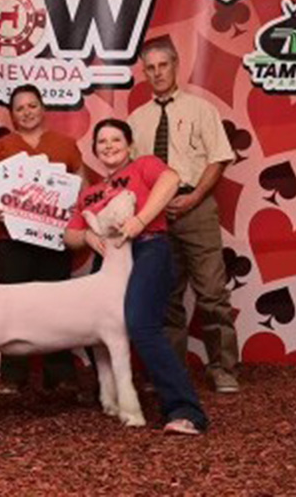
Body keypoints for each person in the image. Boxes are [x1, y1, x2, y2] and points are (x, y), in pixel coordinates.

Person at [64, 118, 208, 435]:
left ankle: (186, 411)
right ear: (95, 150)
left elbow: (171, 179)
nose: (109, 146)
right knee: (89, 324)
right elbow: (69, 236)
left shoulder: (144, 166)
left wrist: (140, 220)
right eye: (102, 142)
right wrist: (87, 236)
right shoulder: (91, 193)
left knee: (141, 323)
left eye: (116, 139)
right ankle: (113, 397)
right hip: (111, 259)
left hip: (148, 247)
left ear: (129, 145)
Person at [126, 38, 240, 393]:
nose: (157, 73)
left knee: (212, 292)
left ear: (176, 66)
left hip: (197, 206)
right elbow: (132, 174)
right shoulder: (136, 120)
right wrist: (150, 209)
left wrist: (194, 198)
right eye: (150, 68)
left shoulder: (201, 110)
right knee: (166, 296)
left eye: (163, 65)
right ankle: (170, 372)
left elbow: (218, 158)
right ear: (144, 73)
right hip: (156, 214)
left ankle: (223, 368)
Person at [0, 84, 86, 394]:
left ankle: (59, 373)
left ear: (43, 108)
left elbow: (83, 187)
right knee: (13, 305)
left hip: (55, 238)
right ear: (12, 115)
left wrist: (73, 211)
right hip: (12, 239)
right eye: (20, 108)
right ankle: (13, 375)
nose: (26, 112)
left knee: (56, 306)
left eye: (32, 105)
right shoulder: (0, 146)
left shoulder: (66, 144)